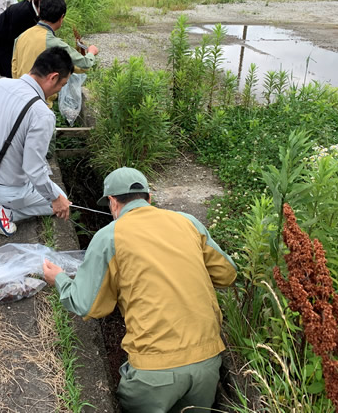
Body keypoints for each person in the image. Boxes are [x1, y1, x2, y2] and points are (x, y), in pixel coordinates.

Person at [43, 167, 238, 413]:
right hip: (207, 365)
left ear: (112, 203)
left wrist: (59, 279)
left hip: (154, 372)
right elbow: (227, 274)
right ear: (149, 198)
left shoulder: (109, 237)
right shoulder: (188, 222)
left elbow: (88, 305)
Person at [0, 47, 74, 236]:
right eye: (62, 85)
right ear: (53, 77)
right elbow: (33, 169)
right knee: (62, 201)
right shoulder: (42, 114)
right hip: (5, 190)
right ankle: (7, 212)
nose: (58, 91)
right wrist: (56, 199)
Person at [11, 0, 99, 104]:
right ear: (61, 18)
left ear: (39, 12)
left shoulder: (22, 36)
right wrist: (91, 52)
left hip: (18, 96)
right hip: (39, 102)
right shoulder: (54, 43)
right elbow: (83, 64)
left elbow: (14, 67)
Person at [0, 0, 61, 78]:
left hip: (11, 38)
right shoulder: (23, 13)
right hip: (2, 43)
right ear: (40, 0)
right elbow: (19, 42)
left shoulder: (36, 11)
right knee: (14, 73)